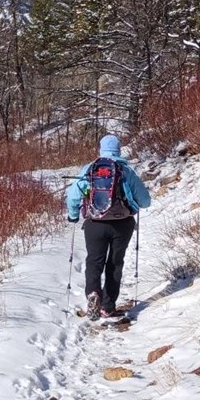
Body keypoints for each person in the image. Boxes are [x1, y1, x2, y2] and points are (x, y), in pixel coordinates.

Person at [65, 134, 151, 319]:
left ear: (101, 149)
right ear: (119, 150)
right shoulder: (125, 171)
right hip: (122, 225)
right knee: (115, 264)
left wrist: (73, 216)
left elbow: (73, 195)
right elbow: (145, 202)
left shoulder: (90, 169)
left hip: (95, 224)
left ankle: (93, 293)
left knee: (94, 261)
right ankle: (108, 306)